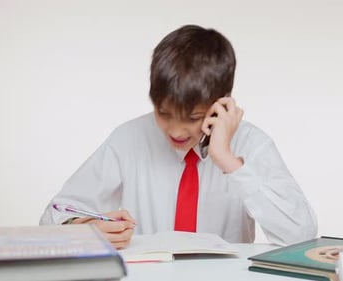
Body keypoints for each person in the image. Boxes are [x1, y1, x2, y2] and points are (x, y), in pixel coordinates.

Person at [40, 24, 318, 249]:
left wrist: (228, 161)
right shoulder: (129, 138)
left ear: (222, 103)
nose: (175, 130)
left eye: (193, 118)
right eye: (164, 113)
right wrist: (85, 228)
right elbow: (54, 216)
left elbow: (301, 238)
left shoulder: (252, 145)